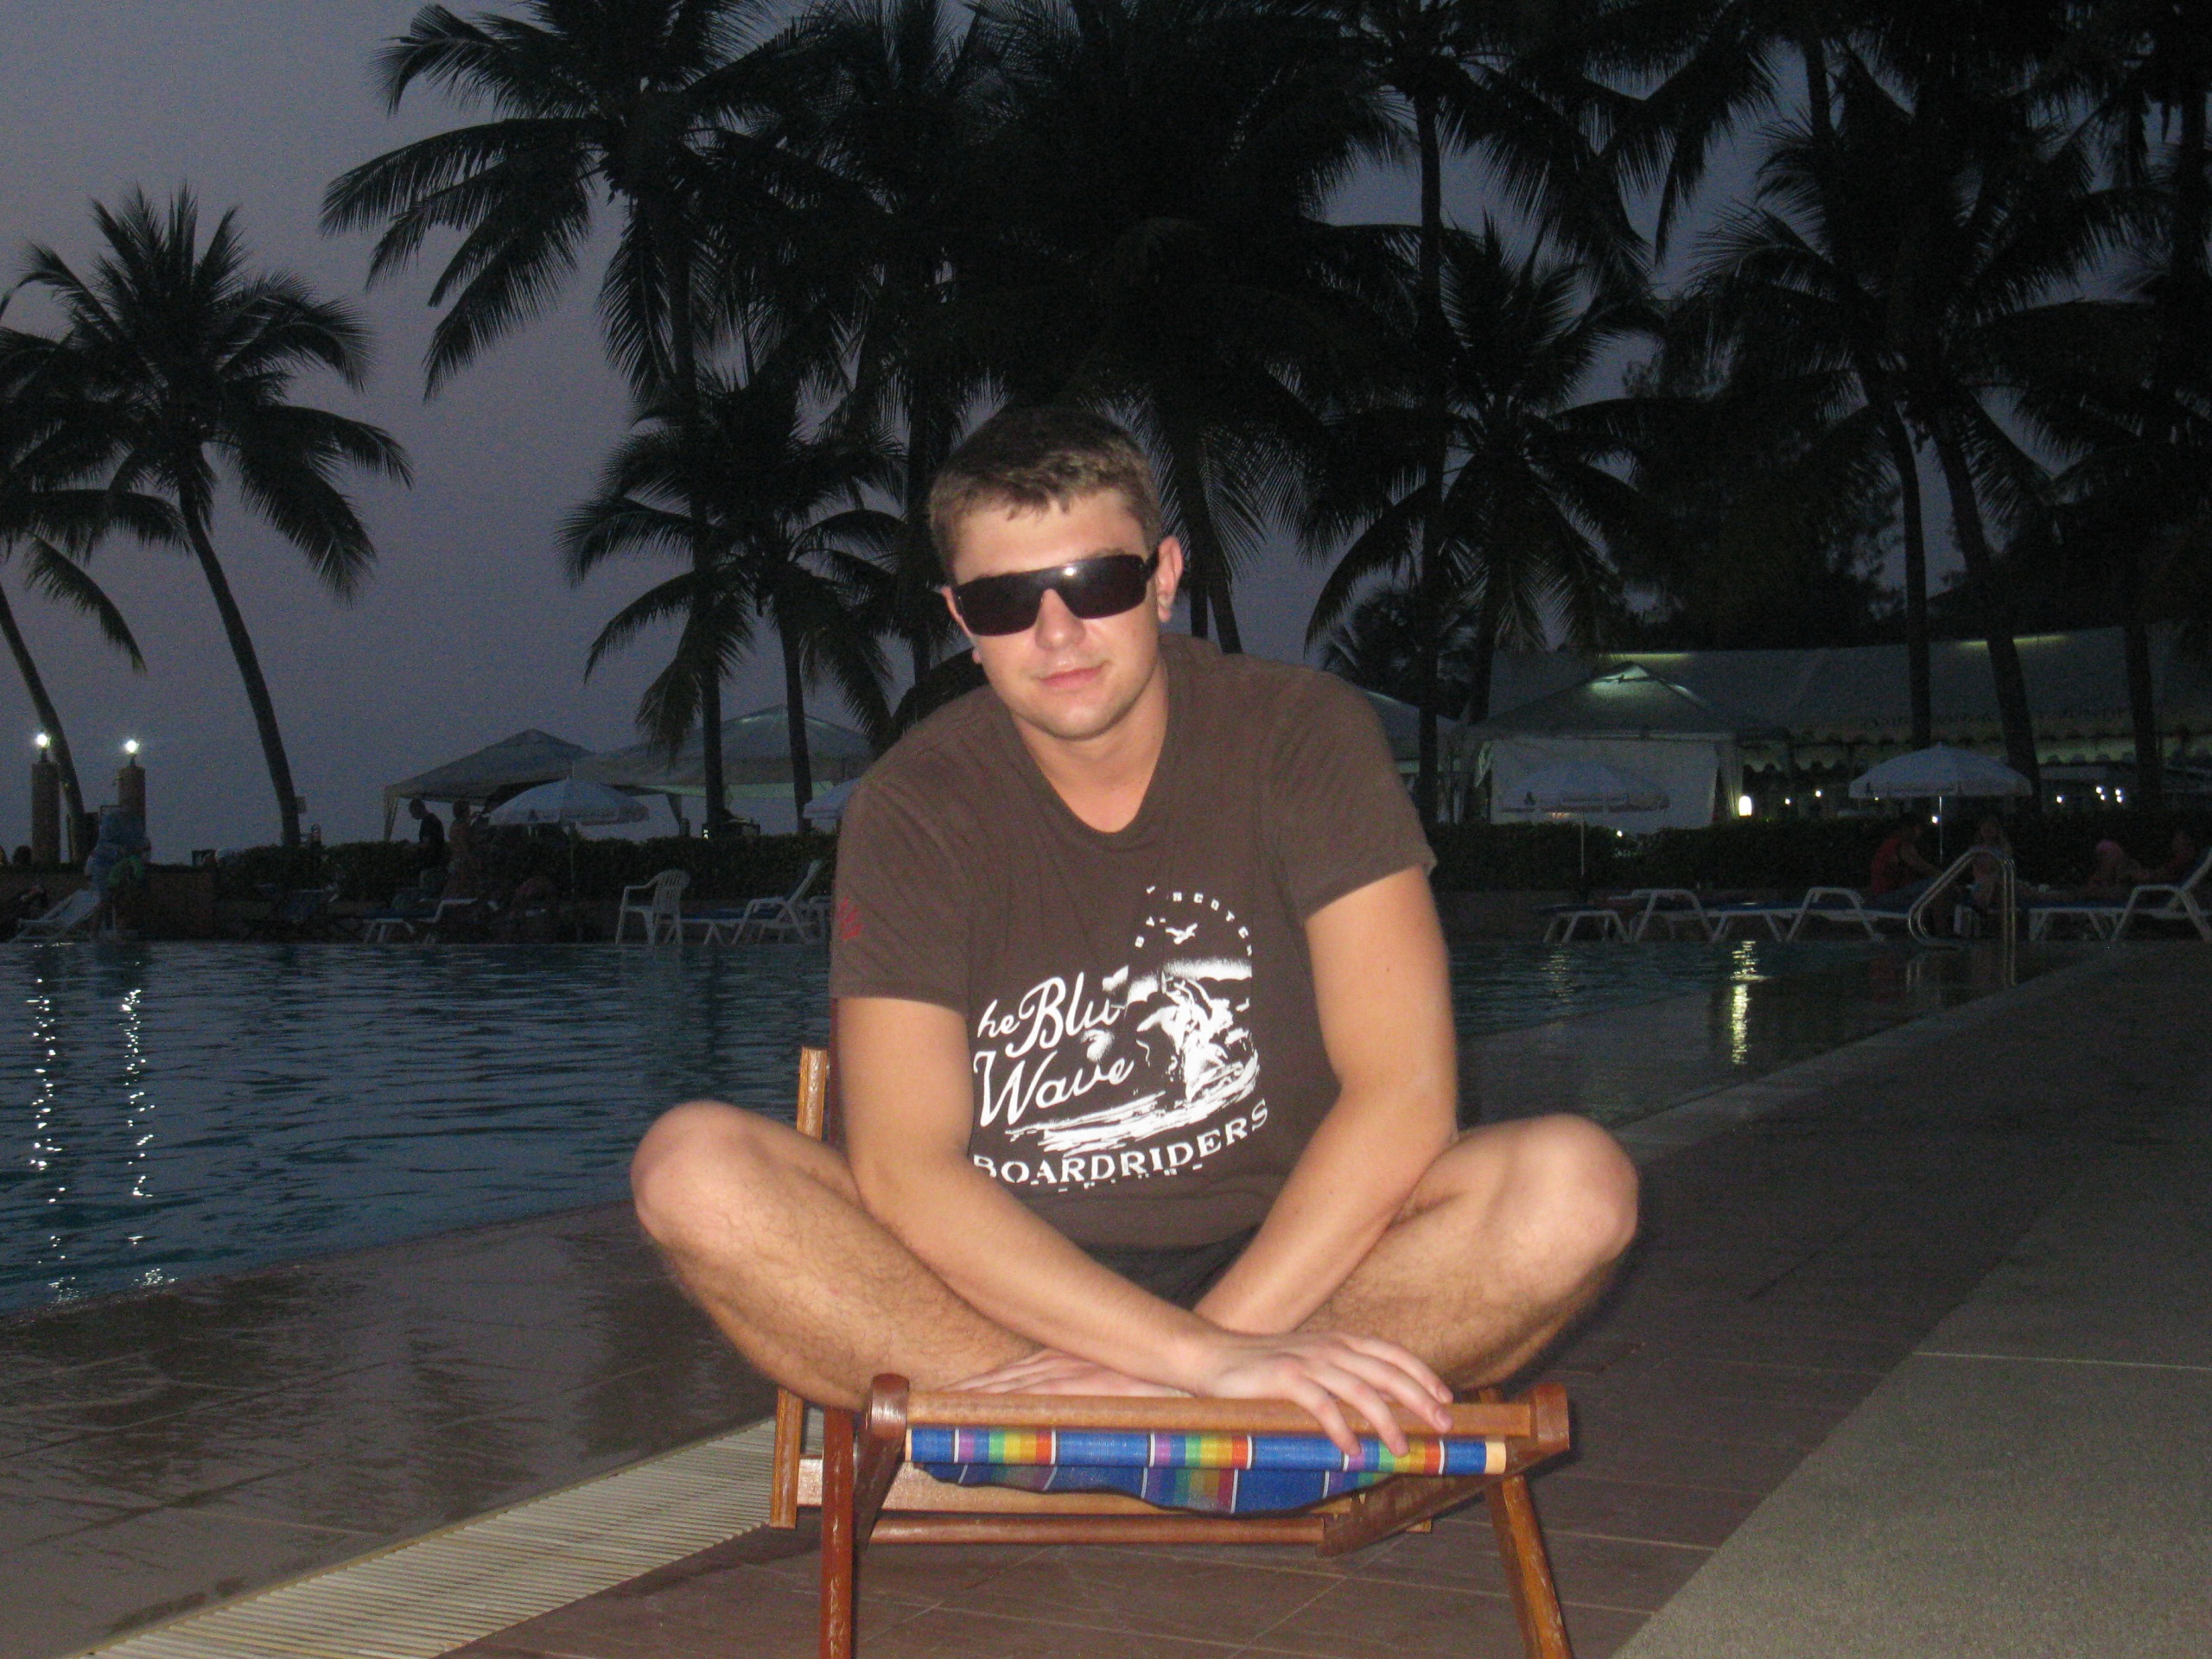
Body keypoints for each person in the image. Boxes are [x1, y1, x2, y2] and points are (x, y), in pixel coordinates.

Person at [630, 406, 1638, 1451]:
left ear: (1163, 576)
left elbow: (1405, 1095)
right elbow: (904, 1168)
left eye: (1097, 583)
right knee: (690, 1169)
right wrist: (1192, 1364)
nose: (1057, 633)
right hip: (997, 1297)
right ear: (961, 619)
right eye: (1006, 601)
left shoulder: (1298, 735)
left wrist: (1217, 1344)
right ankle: (1172, 1429)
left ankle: (1087, 1436)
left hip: (1298, 1267)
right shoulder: (915, 804)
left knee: (1574, 1188)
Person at [1868, 814, 1939, 907]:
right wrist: (1942, 877)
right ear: (1908, 829)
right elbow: (1920, 866)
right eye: (1918, 828)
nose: (1920, 832)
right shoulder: (1897, 845)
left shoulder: (1901, 845)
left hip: (1893, 893)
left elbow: (1922, 864)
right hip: (1887, 896)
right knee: (1934, 884)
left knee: (1935, 885)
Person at [409, 798, 448, 871]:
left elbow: (427, 844)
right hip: (437, 860)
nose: (412, 816)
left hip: (431, 862)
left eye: (412, 812)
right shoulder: (432, 820)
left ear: (418, 809)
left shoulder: (428, 822)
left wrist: (413, 847)